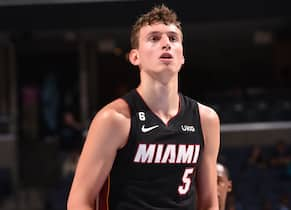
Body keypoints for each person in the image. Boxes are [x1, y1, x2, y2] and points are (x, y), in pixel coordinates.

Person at [67, 4, 221, 210]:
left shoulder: (206, 120)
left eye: (173, 38)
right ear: (135, 57)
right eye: (154, 38)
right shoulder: (114, 119)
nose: (166, 44)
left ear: (182, 56)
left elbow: (209, 202)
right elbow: (78, 202)